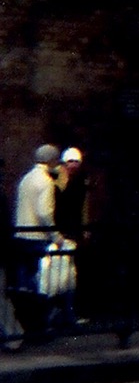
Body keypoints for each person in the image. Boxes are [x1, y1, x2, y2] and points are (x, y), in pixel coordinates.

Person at [10, 145, 64, 339]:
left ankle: (22, 323)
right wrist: (55, 235)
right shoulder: (46, 182)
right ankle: (38, 326)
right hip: (37, 239)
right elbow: (45, 212)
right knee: (40, 284)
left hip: (21, 236)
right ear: (52, 161)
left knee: (23, 283)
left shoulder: (26, 179)